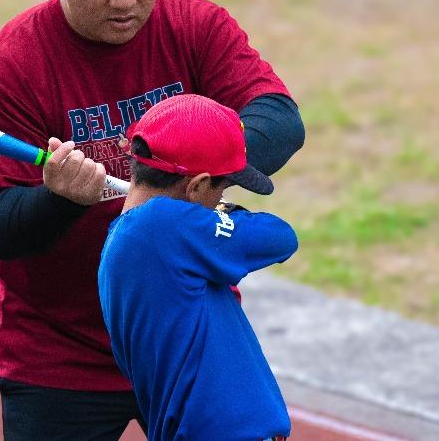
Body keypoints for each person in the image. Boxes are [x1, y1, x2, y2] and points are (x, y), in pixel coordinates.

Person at [0, 0, 305, 440]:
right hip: (59, 355)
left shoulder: (194, 25)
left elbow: (281, 120)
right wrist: (58, 199)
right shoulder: (6, 71)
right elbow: (0, 226)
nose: (126, 0)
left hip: (185, 333)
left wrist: (191, 168)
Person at [99, 94, 298, 441]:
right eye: (223, 187)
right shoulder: (165, 226)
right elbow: (280, 236)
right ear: (197, 186)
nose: (221, 197)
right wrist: (224, 212)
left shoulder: (128, 239)